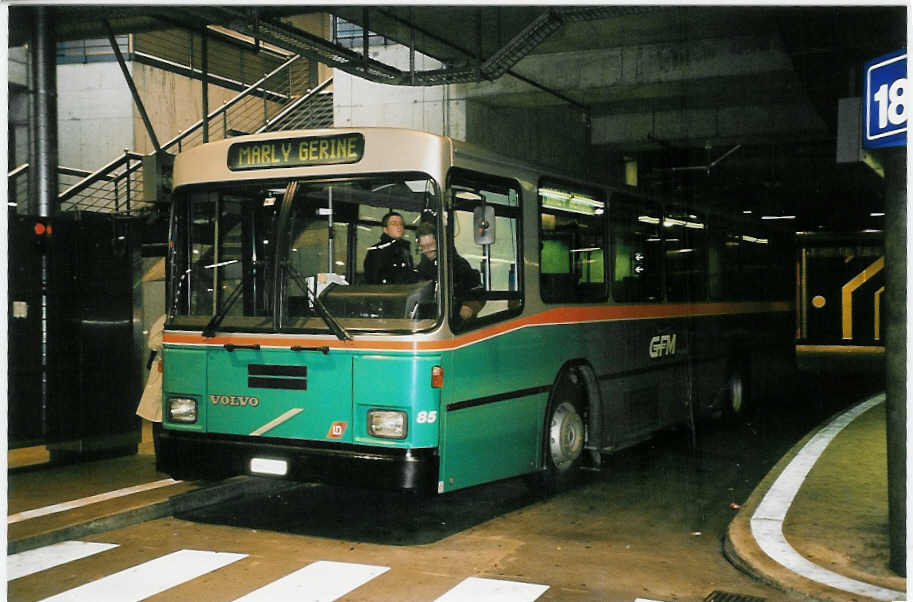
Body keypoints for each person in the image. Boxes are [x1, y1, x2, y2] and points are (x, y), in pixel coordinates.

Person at [415, 223, 485, 323]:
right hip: (428, 324)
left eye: (430, 245)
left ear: (440, 242)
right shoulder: (421, 268)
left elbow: (479, 293)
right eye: (423, 247)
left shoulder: (458, 265)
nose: (427, 250)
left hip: (456, 326)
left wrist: (470, 306)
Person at [363, 211, 416, 284]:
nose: (399, 226)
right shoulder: (377, 251)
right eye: (394, 223)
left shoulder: (404, 249)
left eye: (401, 224)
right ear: (385, 229)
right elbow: (373, 278)